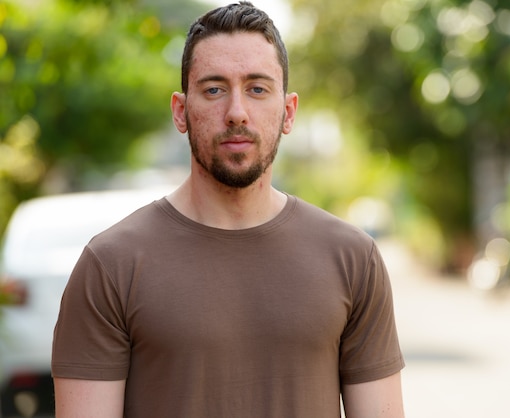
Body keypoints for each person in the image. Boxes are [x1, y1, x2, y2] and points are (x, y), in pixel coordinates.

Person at [51, 2, 405, 417]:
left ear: (287, 112)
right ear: (181, 112)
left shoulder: (352, 259)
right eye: (214, 89)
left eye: (257, 88)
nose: (236, 112)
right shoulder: (110, 265)